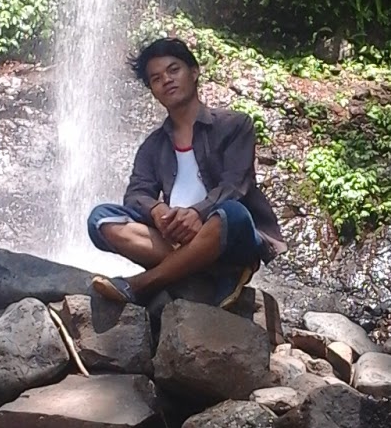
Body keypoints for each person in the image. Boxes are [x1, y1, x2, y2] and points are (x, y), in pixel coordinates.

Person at [87, 37, 284, 308]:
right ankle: (210, 270)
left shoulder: (235, 125)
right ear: (153, 90)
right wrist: (157, 210)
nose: (166, 80)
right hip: (176, 237)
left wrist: (198, 214)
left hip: (226, 233)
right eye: (156, 78)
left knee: (233, 214)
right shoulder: (153, 145)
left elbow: (236, 186)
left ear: (194, 72)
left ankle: (141, 284)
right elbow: (136, 194)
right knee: (100, 218)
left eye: (173, 69)